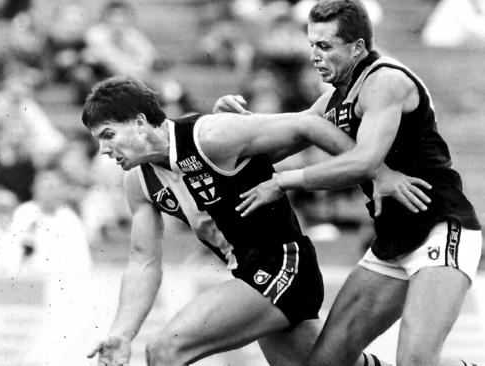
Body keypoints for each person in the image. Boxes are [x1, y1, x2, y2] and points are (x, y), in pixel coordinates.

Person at [82, 77, 429, 366]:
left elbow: (307, 124)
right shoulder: (138, 181)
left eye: (108, 135)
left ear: (141, 122)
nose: (103, 150)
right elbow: (143, 262)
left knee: (164, 351)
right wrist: (121, 334)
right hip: (248, 273)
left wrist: (378, 172)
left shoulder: (211, 136)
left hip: (283, 264)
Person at [214, 1, 482, 365]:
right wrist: (232, 125)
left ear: (357, 47)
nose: (314, 56)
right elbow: (280, 136)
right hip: (393, 241)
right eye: (311, 45)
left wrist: (283, 182)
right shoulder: (334, 98)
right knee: (327, 362)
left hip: (440, 228)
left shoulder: (385, 81)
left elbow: (364, 162)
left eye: (325, 46)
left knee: (416, 359)